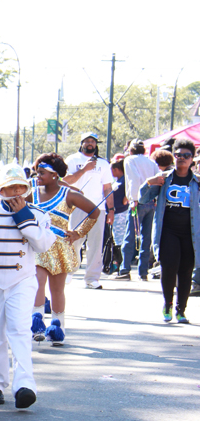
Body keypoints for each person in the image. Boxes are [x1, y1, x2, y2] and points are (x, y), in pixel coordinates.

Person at [0, 164, 55, 409]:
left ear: (26, 188)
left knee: (20, 332)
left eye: (19, 186)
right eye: (9, 186)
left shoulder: (37, 213)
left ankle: (25, 385)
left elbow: (44, 245)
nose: (14, 191)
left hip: (22, 279)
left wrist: (25, 219)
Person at [29, 154, 100, 346]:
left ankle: (58, 329)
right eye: (37, 172)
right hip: (37, 246)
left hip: (59, 247)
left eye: (42, 173)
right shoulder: (31, 193)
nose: (38, 176)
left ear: (54, 175)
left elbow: (95, 211)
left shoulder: (69, 195)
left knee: (57, 290)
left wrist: (78, 233)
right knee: (37, 282)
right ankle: (36, 326)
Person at [139, 138, 199, 323]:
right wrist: (148, 183)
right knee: (169, 268)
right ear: (174, 157)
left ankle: (181, 310)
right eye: (178, 155)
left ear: (192, 159)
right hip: (168, 231)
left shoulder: (197, 182)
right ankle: (168, 304)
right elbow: (142, 199)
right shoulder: (164, 179)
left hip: (190, 233)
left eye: (186, 155)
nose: (182, 158)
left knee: (186, 271)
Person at [64, 133, 114, 289]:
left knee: (95, 244)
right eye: (87, 141)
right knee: (73, 240)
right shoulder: (73, 160)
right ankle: (68, 271)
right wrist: (85, 169)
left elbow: (107, 188)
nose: (90, 144)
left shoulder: (103, 164)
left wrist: (111, 210)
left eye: (93, 141)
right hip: (76, 206)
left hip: (98, 208)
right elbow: (66, 181)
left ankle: (92, 278)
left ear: (96, 144)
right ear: (82, 143)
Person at [117, 139, 158, 281]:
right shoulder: (151, 162)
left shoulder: (130, 160)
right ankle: (143, 272)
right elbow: (158, 179)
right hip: (150, 202)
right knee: (147, 237)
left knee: (130, 236)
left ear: (131, 149)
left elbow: (133, 179)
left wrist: (133, 198)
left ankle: (125, 269)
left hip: (137, 201)